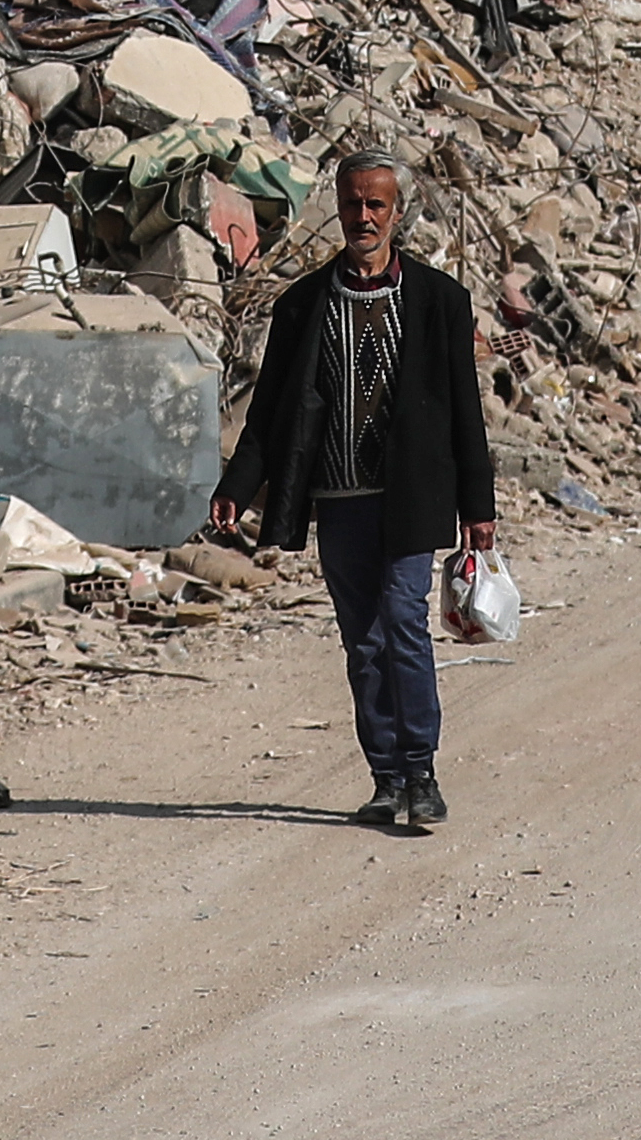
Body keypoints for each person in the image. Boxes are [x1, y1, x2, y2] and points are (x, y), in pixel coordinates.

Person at [210, 150, 494, 835]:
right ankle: (384, 775)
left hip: (411, 497)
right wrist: (237, 486)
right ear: (338, 208)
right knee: (361, 641)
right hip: (339, 500)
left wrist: (477, 510)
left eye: (375, 205)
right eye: (352, 204)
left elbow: (464, 409)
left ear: (397, 213)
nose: (362, 217)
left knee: (402, 623)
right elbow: (272, 406)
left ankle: (420, 770)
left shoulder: (438, 301)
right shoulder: (305, 304)